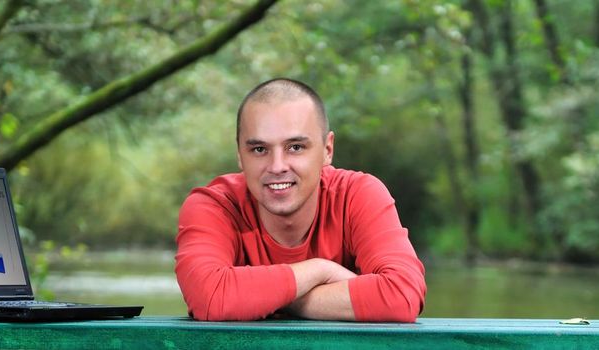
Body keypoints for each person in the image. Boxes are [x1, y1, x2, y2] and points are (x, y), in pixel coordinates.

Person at [174, 78, 426, 322]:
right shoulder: (213, 205)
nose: (277, 166)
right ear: (240, 154)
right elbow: (209, 296)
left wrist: (256, 299)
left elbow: (402, 295)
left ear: (327, 150)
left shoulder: (357, 195)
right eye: (259, 149)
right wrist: (320, 270)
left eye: (295, 147)